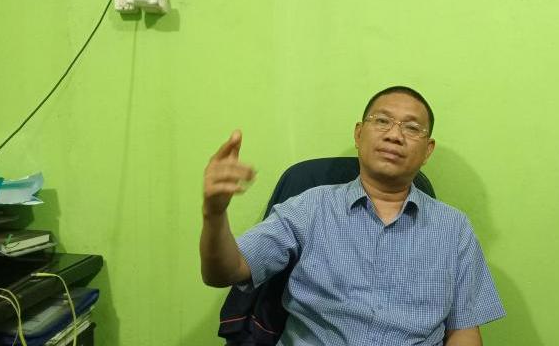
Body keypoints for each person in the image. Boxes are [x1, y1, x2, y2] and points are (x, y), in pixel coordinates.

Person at [200, 86, 505, 345]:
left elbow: (464, 331)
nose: (394, 135)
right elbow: (226, 271)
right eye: (382, 121)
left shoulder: (454, 228)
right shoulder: (310, 208)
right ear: (359, 134)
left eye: (412, 128)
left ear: (428, 150)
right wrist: (214, 214)